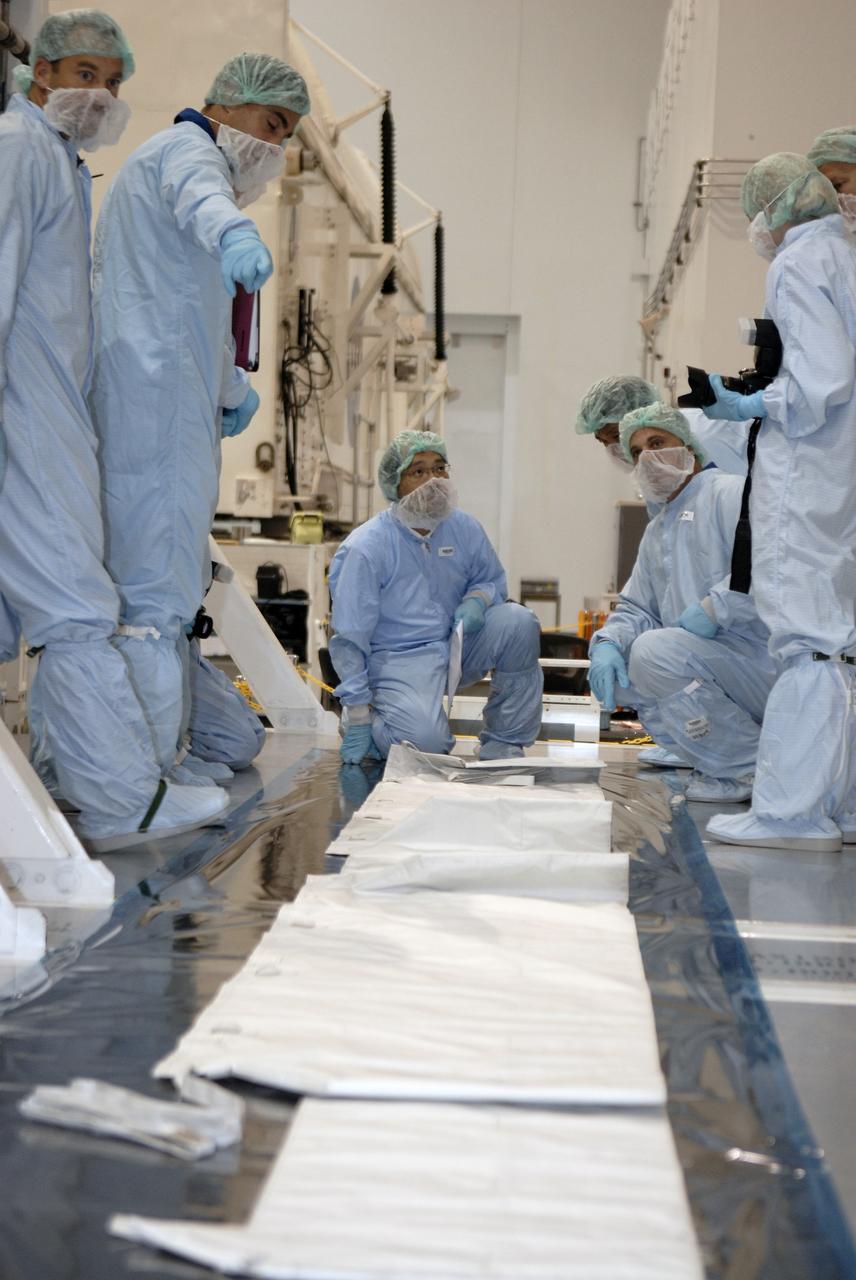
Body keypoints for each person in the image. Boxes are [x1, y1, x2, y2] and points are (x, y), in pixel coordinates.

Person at [0, 10, 227, 844]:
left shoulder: (60, 162)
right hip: (23, 407)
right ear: (41, 73)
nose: (100, 95)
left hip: (47, 406)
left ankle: (86, 783)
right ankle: (125, 801)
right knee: (75, 604)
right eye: (85, 75)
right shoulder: (22, 150)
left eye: (112, 81)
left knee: (66, 604)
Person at [90, 52, 310, 777]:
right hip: (148, 410)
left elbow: (198, 314)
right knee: (153, 593)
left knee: (168, 592)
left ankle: (164, 752)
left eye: (287, 136)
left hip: (173, 404)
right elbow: (204, 204)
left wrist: (227, 389)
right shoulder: (187, 155)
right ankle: (143, 779)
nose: (274, 148)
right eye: (271, 125)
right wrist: (236, 234)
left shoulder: (187, 167)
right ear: (226, 103)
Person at [700, 153, 856, 852]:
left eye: (759, 209)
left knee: (807, 644)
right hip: (835, 479)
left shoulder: (797, 262)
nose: (757, 226)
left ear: (783, 207)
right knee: (833, 646)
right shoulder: (844, 258)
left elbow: (820, 382)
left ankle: (791, 813)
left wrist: (751, 403)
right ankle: (837, 807)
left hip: (808, 474)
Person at [587, 403, 779, 803]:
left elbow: (775, 565)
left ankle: (753, 768)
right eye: (637, 451)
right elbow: (637, 608)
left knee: (655, 652)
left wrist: (717, 608)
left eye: (658, 443)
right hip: (716, 664)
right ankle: (712, 758)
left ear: (688, 445)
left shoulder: (729, 493)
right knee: (626, 674)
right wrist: (606, 643)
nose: (648, 458)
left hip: (761, 662)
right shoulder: (659, 527)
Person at [328, 430, 544, 763]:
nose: (434, 480)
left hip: (457, 643)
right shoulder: (366, 548)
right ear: (394, 483)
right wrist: (356, 711)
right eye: (419, 471)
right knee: (427, 748)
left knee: (518, 622)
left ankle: (503, 741)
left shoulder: (464, 528)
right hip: (399, 660)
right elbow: (349, 637)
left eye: (440, 468)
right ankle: (376, 725)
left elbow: (491, 580)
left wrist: (478, 600)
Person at [576, 373, 752, 480]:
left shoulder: (701, 437)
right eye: (603, 442)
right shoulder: (658, 469)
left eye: (616, 436)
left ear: (641, 412)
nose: (613, 449)